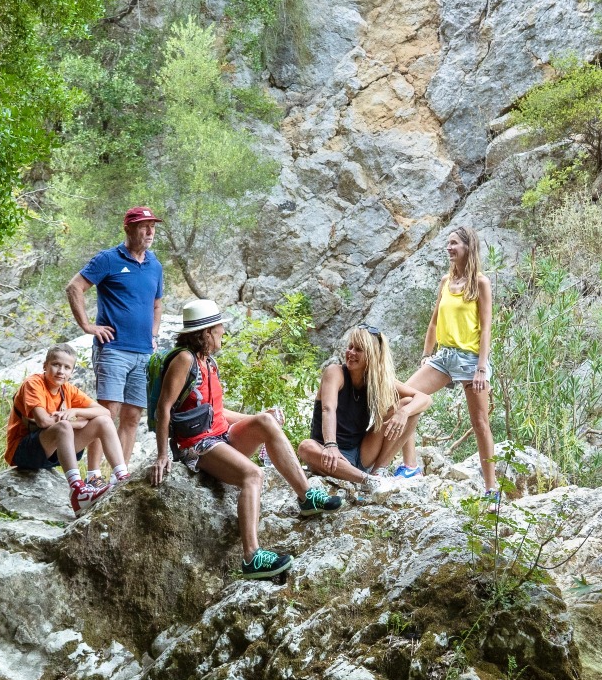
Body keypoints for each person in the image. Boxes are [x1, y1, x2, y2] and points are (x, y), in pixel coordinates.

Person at [150, 299, 344, 581]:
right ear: (206, 332)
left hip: (220, 435)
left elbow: (217, 412)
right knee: (253, 475)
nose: (223, 332)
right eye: (219, 327)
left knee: (265, 422)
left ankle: (307, 498)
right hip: (198, 445)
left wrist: (258, 418)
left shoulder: (208, 362)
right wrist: (162, 455)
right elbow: (164, 408)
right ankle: (251, 557)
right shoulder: (185, 360)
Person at [396, 227, 498, 498]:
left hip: (470, 360)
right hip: (444, 357)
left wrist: (481, 368)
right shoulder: (446, 281)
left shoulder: (481, 283)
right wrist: (426, 356)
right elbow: (434, 322)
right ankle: (410, 466)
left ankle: (492, 488)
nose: (449, 248)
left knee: (480, 422)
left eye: (454, 243)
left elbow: (486, 328)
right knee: (404, 398)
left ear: (467, 247)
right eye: (448, 244)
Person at [67, 207, 166, 466]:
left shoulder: (155, 265)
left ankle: (119, 478)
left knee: (132, 416)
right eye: (144, 226)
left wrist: (154, 335)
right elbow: (74, 287)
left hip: (144, 353)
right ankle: (94, 476)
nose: (150, 231)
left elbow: (157, 305)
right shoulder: (108, 259)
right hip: (113, 349)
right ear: (128, 229)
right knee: (106, 415)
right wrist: (87, 325)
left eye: (153, 226)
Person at [297, 325, 430, 490]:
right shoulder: (335, 372)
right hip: (328, 455)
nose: (351, 353)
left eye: (358, 349)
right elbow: (328, 409)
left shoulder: (376, 380)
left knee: (408, 404)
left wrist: (403, 412)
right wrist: (331, 445)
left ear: (371, 355)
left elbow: (424, 398)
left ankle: (378, 473)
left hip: (360, 454)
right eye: (350, 347)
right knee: (305, 447)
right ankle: (368, 481)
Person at [7, 344, 130, 514]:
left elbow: (105, 412)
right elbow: (43, 421)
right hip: (24, 451)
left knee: (103, 421)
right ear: (45, 366)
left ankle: (122, 476)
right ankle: (77, 491)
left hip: (56, 450)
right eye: (56, 365)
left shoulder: (67, 390)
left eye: (67, 367)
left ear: (72, 372)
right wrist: (77, 424)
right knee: (64, 426)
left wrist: (76, 411)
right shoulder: (33, 383)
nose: (61, 371)